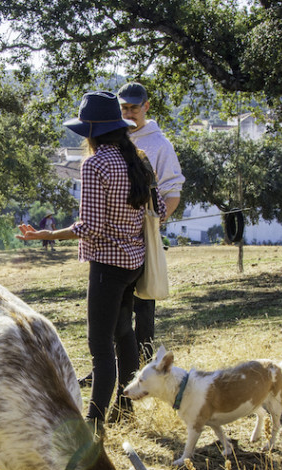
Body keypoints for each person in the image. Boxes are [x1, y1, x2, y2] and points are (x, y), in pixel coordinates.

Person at [17, 91, 162, 428]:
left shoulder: (95, 164)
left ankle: (94, 425)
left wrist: (46, 235)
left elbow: (91, 227)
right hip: (134, 261)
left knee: (100, 347)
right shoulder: (138, 158)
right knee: (124, 334)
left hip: (108, 266)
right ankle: (124, 411)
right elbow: (160, 210)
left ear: (92, 131)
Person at [118, 82, 185, 363]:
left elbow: (173, 191)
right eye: (124, 108)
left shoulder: (160, 144)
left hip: (144, 234)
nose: (129, 113)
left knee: (143, 304)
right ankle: (110, 366)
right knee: (115, 307)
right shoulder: (113, 137)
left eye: (134, 107)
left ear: (146, 107)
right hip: (116, 236)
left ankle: (145, 364)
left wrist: (156, 224)